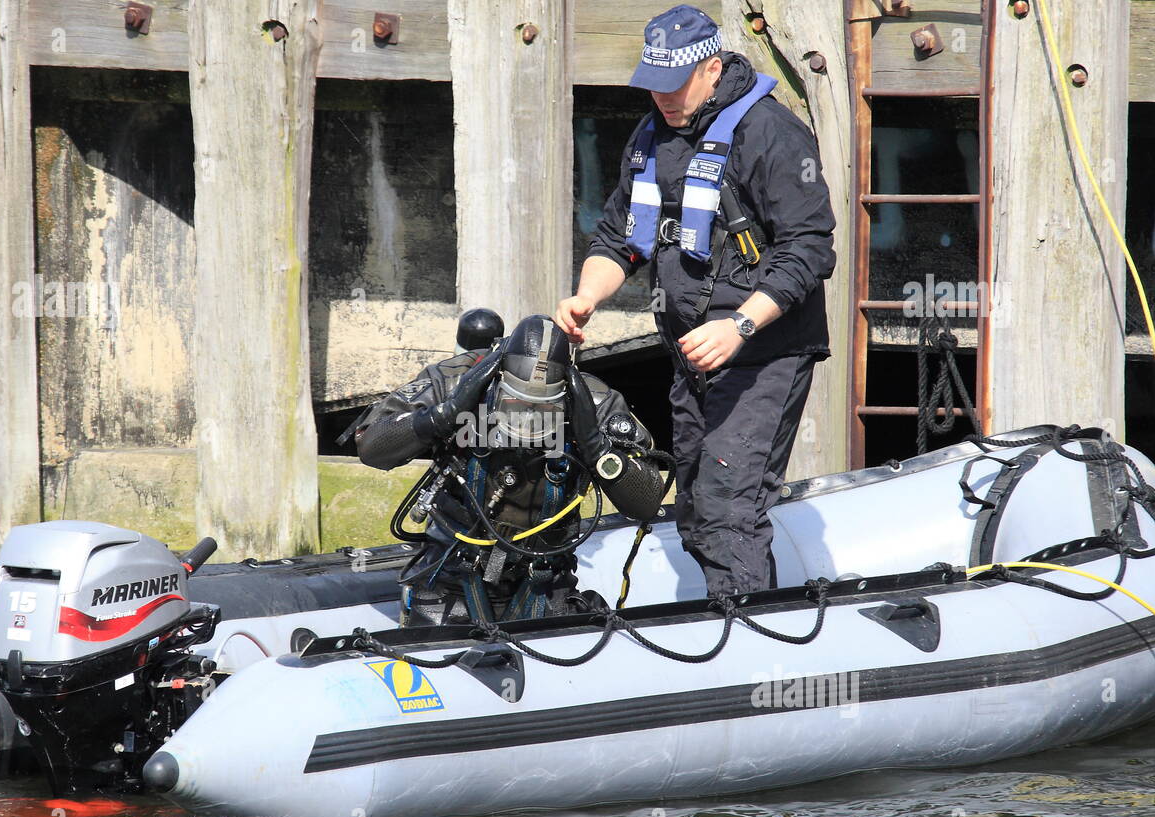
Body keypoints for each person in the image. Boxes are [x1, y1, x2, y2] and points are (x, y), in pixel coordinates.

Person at [553, 4, 836, 600]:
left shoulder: (772, 133)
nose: (662, 97)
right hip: (691, 354)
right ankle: (724, 617)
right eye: (652, 85)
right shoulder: (651, 135)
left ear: (711, 69)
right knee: (698, 509)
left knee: (730, 504)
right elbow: (617, 238)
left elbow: (809, 249)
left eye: (673, 84)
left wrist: (739, 324)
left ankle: (750, 639)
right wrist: (586, 298)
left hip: (764, 351)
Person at [353, 313, 665, 627]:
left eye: (542, 410)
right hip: (451, 574)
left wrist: (596, 447)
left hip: (544, 580)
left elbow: (646, 502)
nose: (527, 421)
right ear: (500, 379)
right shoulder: (452, 381)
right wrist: (443, 415)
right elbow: (371, 448)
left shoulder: (595, 402)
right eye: (516, 404)